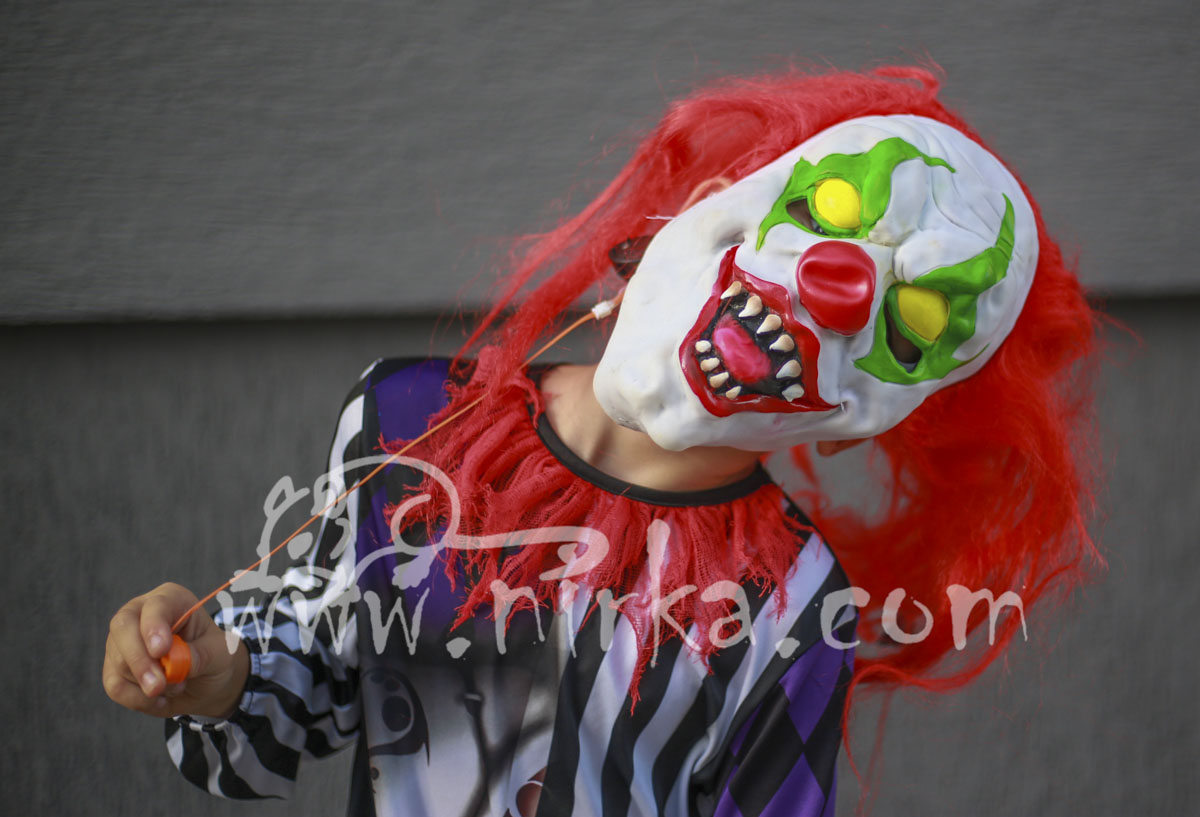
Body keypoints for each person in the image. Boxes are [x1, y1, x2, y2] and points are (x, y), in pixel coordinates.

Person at [103, 66, 1099, 816]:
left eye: (908, 322)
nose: (837, 289)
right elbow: (313, 681)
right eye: (831, 209)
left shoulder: (796, 604)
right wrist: (213, 669)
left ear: (867, 420)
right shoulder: (410, 423)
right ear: (706, 208)